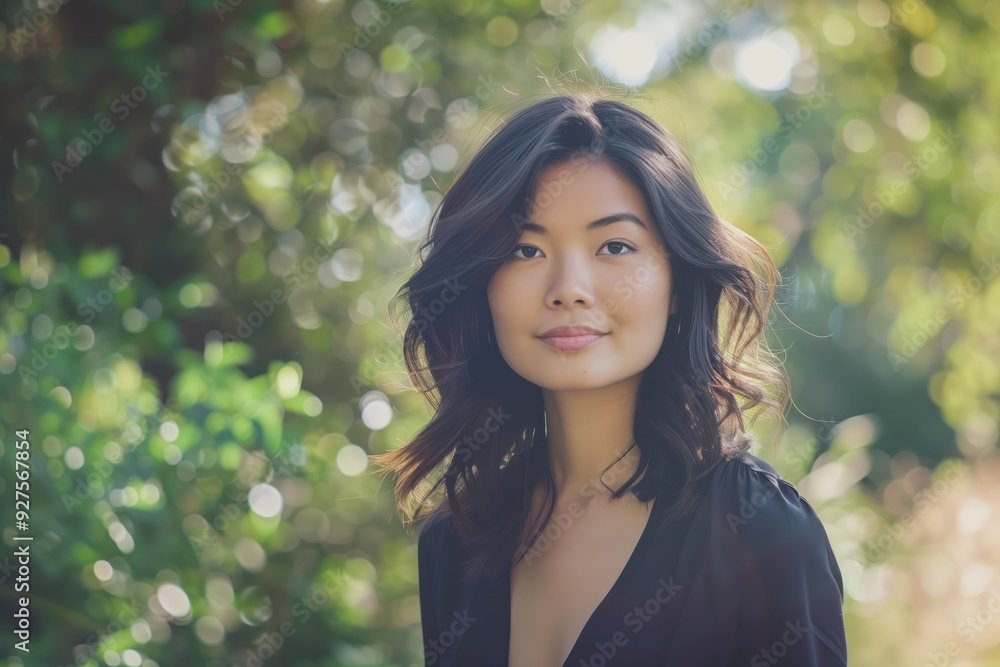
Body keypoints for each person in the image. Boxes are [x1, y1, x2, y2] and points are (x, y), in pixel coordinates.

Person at [370, 90, 848, 666]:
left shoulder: (761, 536)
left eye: (615, 246)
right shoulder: (457, 543)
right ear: (481, 283)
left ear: (677, 283)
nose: (569, 287)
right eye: (525, 249)